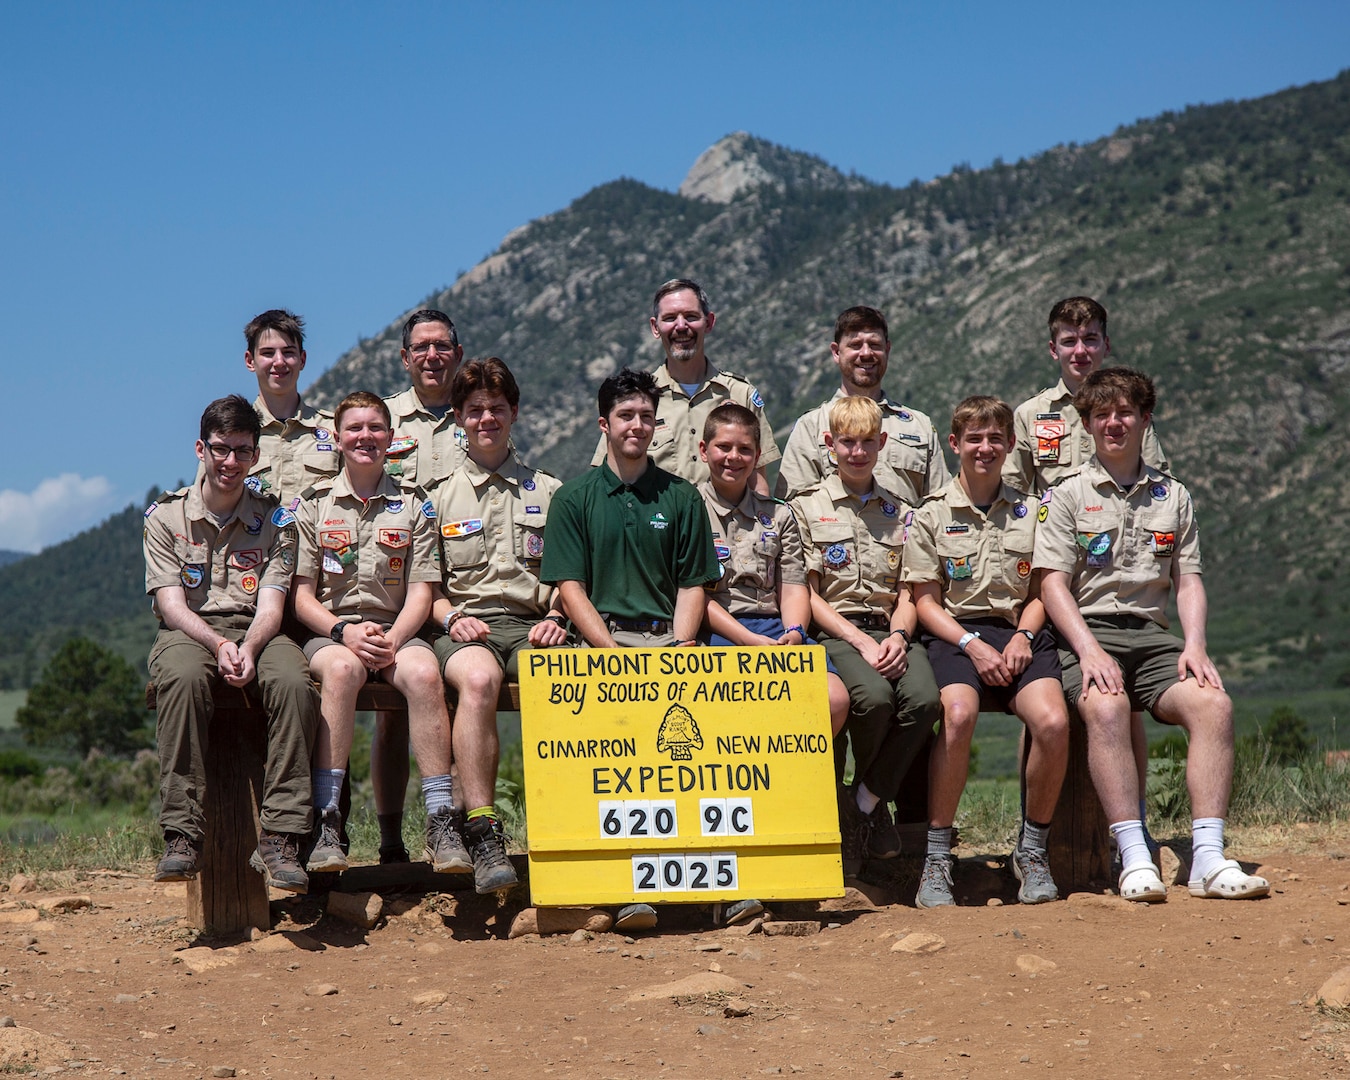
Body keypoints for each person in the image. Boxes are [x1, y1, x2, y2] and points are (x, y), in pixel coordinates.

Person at [1033, 368, 1268, 902]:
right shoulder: (1066, 496)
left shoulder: (1174, 496)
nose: (1114, 423)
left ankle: (1208, 857)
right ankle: (1135, 856)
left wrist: (1196, 644)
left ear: (1144, 420)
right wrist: (1089, 651)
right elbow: (1052, 585)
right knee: (1108, 708)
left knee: (1215, 706)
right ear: (1087, 424)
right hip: (1086, 633)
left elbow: (1188, 581)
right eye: (1102, 415)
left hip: (1153, 637)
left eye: (1125, 413)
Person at [543, 367, 720, 930]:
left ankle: (716, 885)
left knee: (696, 767)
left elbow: (694, 581)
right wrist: (610, 653)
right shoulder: (574, 498)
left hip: (671, 636)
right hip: (604, 641)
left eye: (646, 415)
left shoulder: (683, 496)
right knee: (617, 772)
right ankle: (625, 886)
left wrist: (684, 645)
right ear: (604, 424)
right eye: (626, 416)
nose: (637, 425)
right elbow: (570, 587)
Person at [1003, 297, 1170, 864]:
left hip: (1113, 582)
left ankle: (1134, 829)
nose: (1081, 350)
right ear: (1053, 348)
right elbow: (1011, 500)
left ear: (1105, 343)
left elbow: (1155, 493)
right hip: (1047, 580)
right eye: (1069, 341)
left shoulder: (1127, 408)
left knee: (1126, 703)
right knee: (1040, 704)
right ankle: (1033, 837)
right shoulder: (1030, 416)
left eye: (1091, 339)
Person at [144, 395, 317, 892]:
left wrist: (248, 646)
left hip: (259, 629)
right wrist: (219, 645)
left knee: (293, 682)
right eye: (220, 449)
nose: (230, 462)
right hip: (189, 631)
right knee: (180, 677)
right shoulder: (165, 517)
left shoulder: (276, 519)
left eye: (242, 451)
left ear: (256, 456)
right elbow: (171, 606)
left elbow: (272, 602)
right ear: (201, 448)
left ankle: (282, 836)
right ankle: (182, 832)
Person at [902, 396, 1068, 907]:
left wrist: (1022, 637)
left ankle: (1032, 851)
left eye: (996, 438)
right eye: (974, 438)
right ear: (954, 444)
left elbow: (1044, 588)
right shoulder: (929, 515)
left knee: (1053, 723)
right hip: (956, 633)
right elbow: (925, 603)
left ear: (1011, 445)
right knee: (956, 713)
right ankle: (936, 858)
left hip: (1022, 629)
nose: (985, 447)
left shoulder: (1033, 509)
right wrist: (971, 645)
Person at [293, 391, 460, 874]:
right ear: (338, 438)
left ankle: (440, 821)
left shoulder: (414, 505)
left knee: (427, 676)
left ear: (391, 438)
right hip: (333, 633)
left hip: (397, 631)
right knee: (342, 672)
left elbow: (423, 592)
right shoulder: (314, 505)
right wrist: (344, 631)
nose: (365, 437)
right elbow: (302, 597)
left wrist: (393, 640)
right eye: (354, 428)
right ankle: (327, 821)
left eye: (375, 428)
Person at [426, 358, 568, 893]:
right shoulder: (436, 498)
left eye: (497, 408)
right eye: (475, 410)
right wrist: (453, 618)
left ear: (515, 412)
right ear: (459, 417)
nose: (487, 418)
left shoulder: (549, 491)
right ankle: (483, 831)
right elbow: (427, 588)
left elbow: (568, 577)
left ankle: (567, 828)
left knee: (565, 683)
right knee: (480, 682)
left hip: (537, 625)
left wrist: (556, 615)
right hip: (466, 625)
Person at [789, 396, 941, 878]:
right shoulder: (806, 508)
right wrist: (861, 642)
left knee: (924, 700)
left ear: (883, 443)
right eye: (847, 443)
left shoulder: (903, 511)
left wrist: (897, 635)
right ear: (830, 445)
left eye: (866, 443)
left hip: (893, 629)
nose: (857, 452)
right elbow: (808, 596)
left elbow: (910, 589)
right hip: (836, 633)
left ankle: (864, 801)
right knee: (873, 699)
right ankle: (867, 813)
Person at [372, 308, 468, 861]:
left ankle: (456, 831)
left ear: (455, 352)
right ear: (405, 357)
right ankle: (389, 841)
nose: (432, 356)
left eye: (442, 346)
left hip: (463, 582)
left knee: (454, 701)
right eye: (421, 348)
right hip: (396, 588)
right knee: (389, 713)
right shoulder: (383, 420)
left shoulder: (474, 412)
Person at [697, 402, 850, 738]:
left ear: (757, 455)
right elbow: (694, 597)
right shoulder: (690, 511)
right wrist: (748, 641)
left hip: (774, 629)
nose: (733, 457)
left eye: (744, 449)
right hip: (715, 630)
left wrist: (794, 631)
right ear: (704, 450)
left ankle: (799, 784)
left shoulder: (778, 516)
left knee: (834, 699)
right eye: (724, 447)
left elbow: (793, 586)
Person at [591, 279, 778, 493]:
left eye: (691, 317)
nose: (681, 327)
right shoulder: (637, 401)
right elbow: (606, 475)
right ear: (655, 327)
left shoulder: (740, 393)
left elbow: (757, 480)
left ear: (709, 322)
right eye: (670, 318)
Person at [776, 306, 950, 502]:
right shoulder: (811, 427)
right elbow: (793, 511)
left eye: (874, 344)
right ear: (836, 352)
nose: (866, 353)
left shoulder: (919, 426)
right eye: (856, 345)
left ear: (887, 349)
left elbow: (940, 506)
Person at [240, 309, 339, 504]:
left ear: (302, 360)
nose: (279, 362)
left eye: (288, 352)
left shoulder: (334, 430)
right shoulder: (232, 433)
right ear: (250, 361)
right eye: (268, 353)